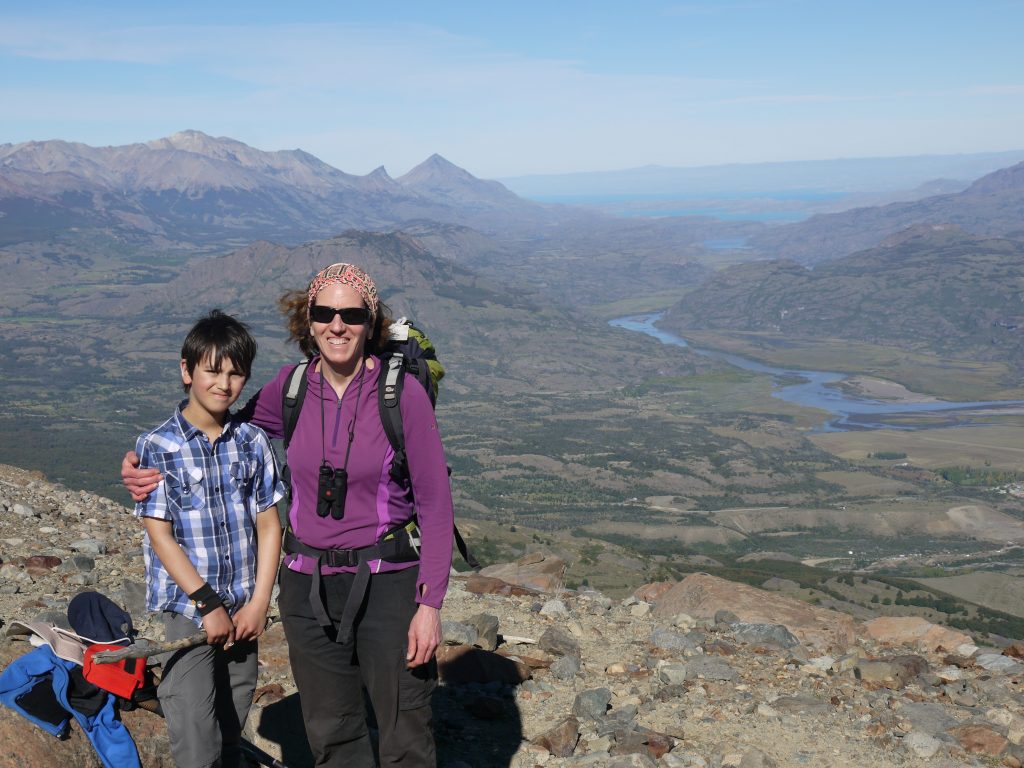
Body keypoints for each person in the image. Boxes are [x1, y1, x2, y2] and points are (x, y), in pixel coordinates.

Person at [124, 263, 454, 768]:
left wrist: (429, 606)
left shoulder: (399, 394)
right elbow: (221, 428)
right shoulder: (291, 387)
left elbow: (435, 502)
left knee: (405, 726)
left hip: (388, 580)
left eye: (351, 314)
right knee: (331, 729)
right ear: (309, 319)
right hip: (307, 586)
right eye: (324, 312)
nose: (337, 325)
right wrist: (140, 463)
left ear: (371, 322)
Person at [134, 309, 285, 768]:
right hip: (191, 613)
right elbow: (159, 534)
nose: (224, 383)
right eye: (212, 371)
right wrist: (206, 603)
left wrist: (259, 603)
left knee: (231, 722)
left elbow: (269, 523)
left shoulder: (253, 441)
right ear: (187, 370)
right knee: (196, 736)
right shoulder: (158, 445)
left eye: (236, 373)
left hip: (243, 610)